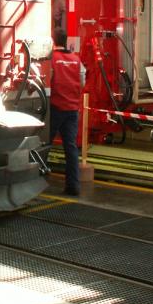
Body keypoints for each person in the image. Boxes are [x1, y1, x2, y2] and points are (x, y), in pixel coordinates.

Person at [49, 28, 85, 196]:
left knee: (44, 144)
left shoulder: (52, 59)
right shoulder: (76, 60)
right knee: (70, 148)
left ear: (53, 41)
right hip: (72, 108)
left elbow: (47, 82)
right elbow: (82, 81)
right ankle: (73, 186)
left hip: (56, 107)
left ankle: (37, 179)